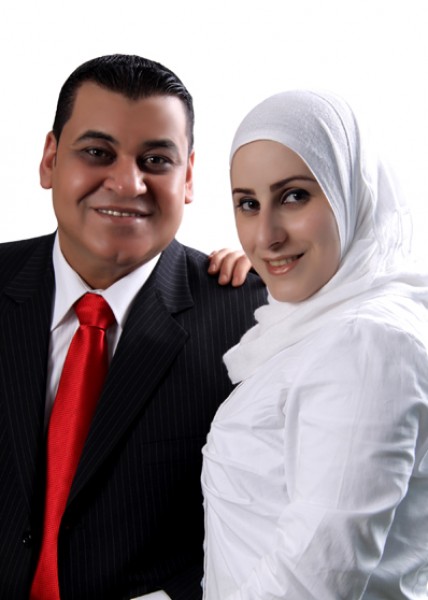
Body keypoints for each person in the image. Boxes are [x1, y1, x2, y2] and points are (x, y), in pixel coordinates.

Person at [0, 54, 266, 599]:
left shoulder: (255, 319)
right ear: (50, 160)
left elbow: (282, 524)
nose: (127, 183)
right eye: (97, 153)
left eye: (156, 160)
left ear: (187, 177)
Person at [201, 90, 428, 599]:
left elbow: (313, 579)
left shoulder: (366, 343)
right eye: (248, 204)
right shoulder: (314, 327)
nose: (266, 236)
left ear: (349, 192)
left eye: (294, 197)